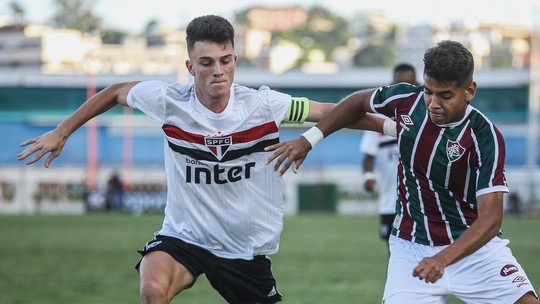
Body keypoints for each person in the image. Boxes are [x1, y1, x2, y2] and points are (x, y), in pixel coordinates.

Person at [17, 15, 387, 304]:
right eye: (206, 62)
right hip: (185, 237)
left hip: (245, 248)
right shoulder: (168, 101)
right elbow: (115, 92)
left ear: (235, 60)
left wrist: (394, 129)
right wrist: (62, 131)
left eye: (225, 61)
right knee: (152, 290)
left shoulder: (264, 105)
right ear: (190, 66)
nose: (218, 71)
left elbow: (332, 112)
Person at [265, 40, 538, 303]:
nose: (433, 103)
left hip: (473, 250)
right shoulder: (408, 99)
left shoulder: (485, 136)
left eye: (445, 96)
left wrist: (442, 259)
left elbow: (491, 220)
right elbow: (358, 102)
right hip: (412, 247)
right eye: (429, 91)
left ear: (469, 91)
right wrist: (309, 139)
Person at [360, 63, 417, 250]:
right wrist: (369, 176)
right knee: (394, 253)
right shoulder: (379, 120)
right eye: (399, 84)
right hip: (390, 203)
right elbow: (368, 156)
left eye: (408, 84)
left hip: (420, 202)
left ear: (416, 84)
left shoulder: (425, 117)